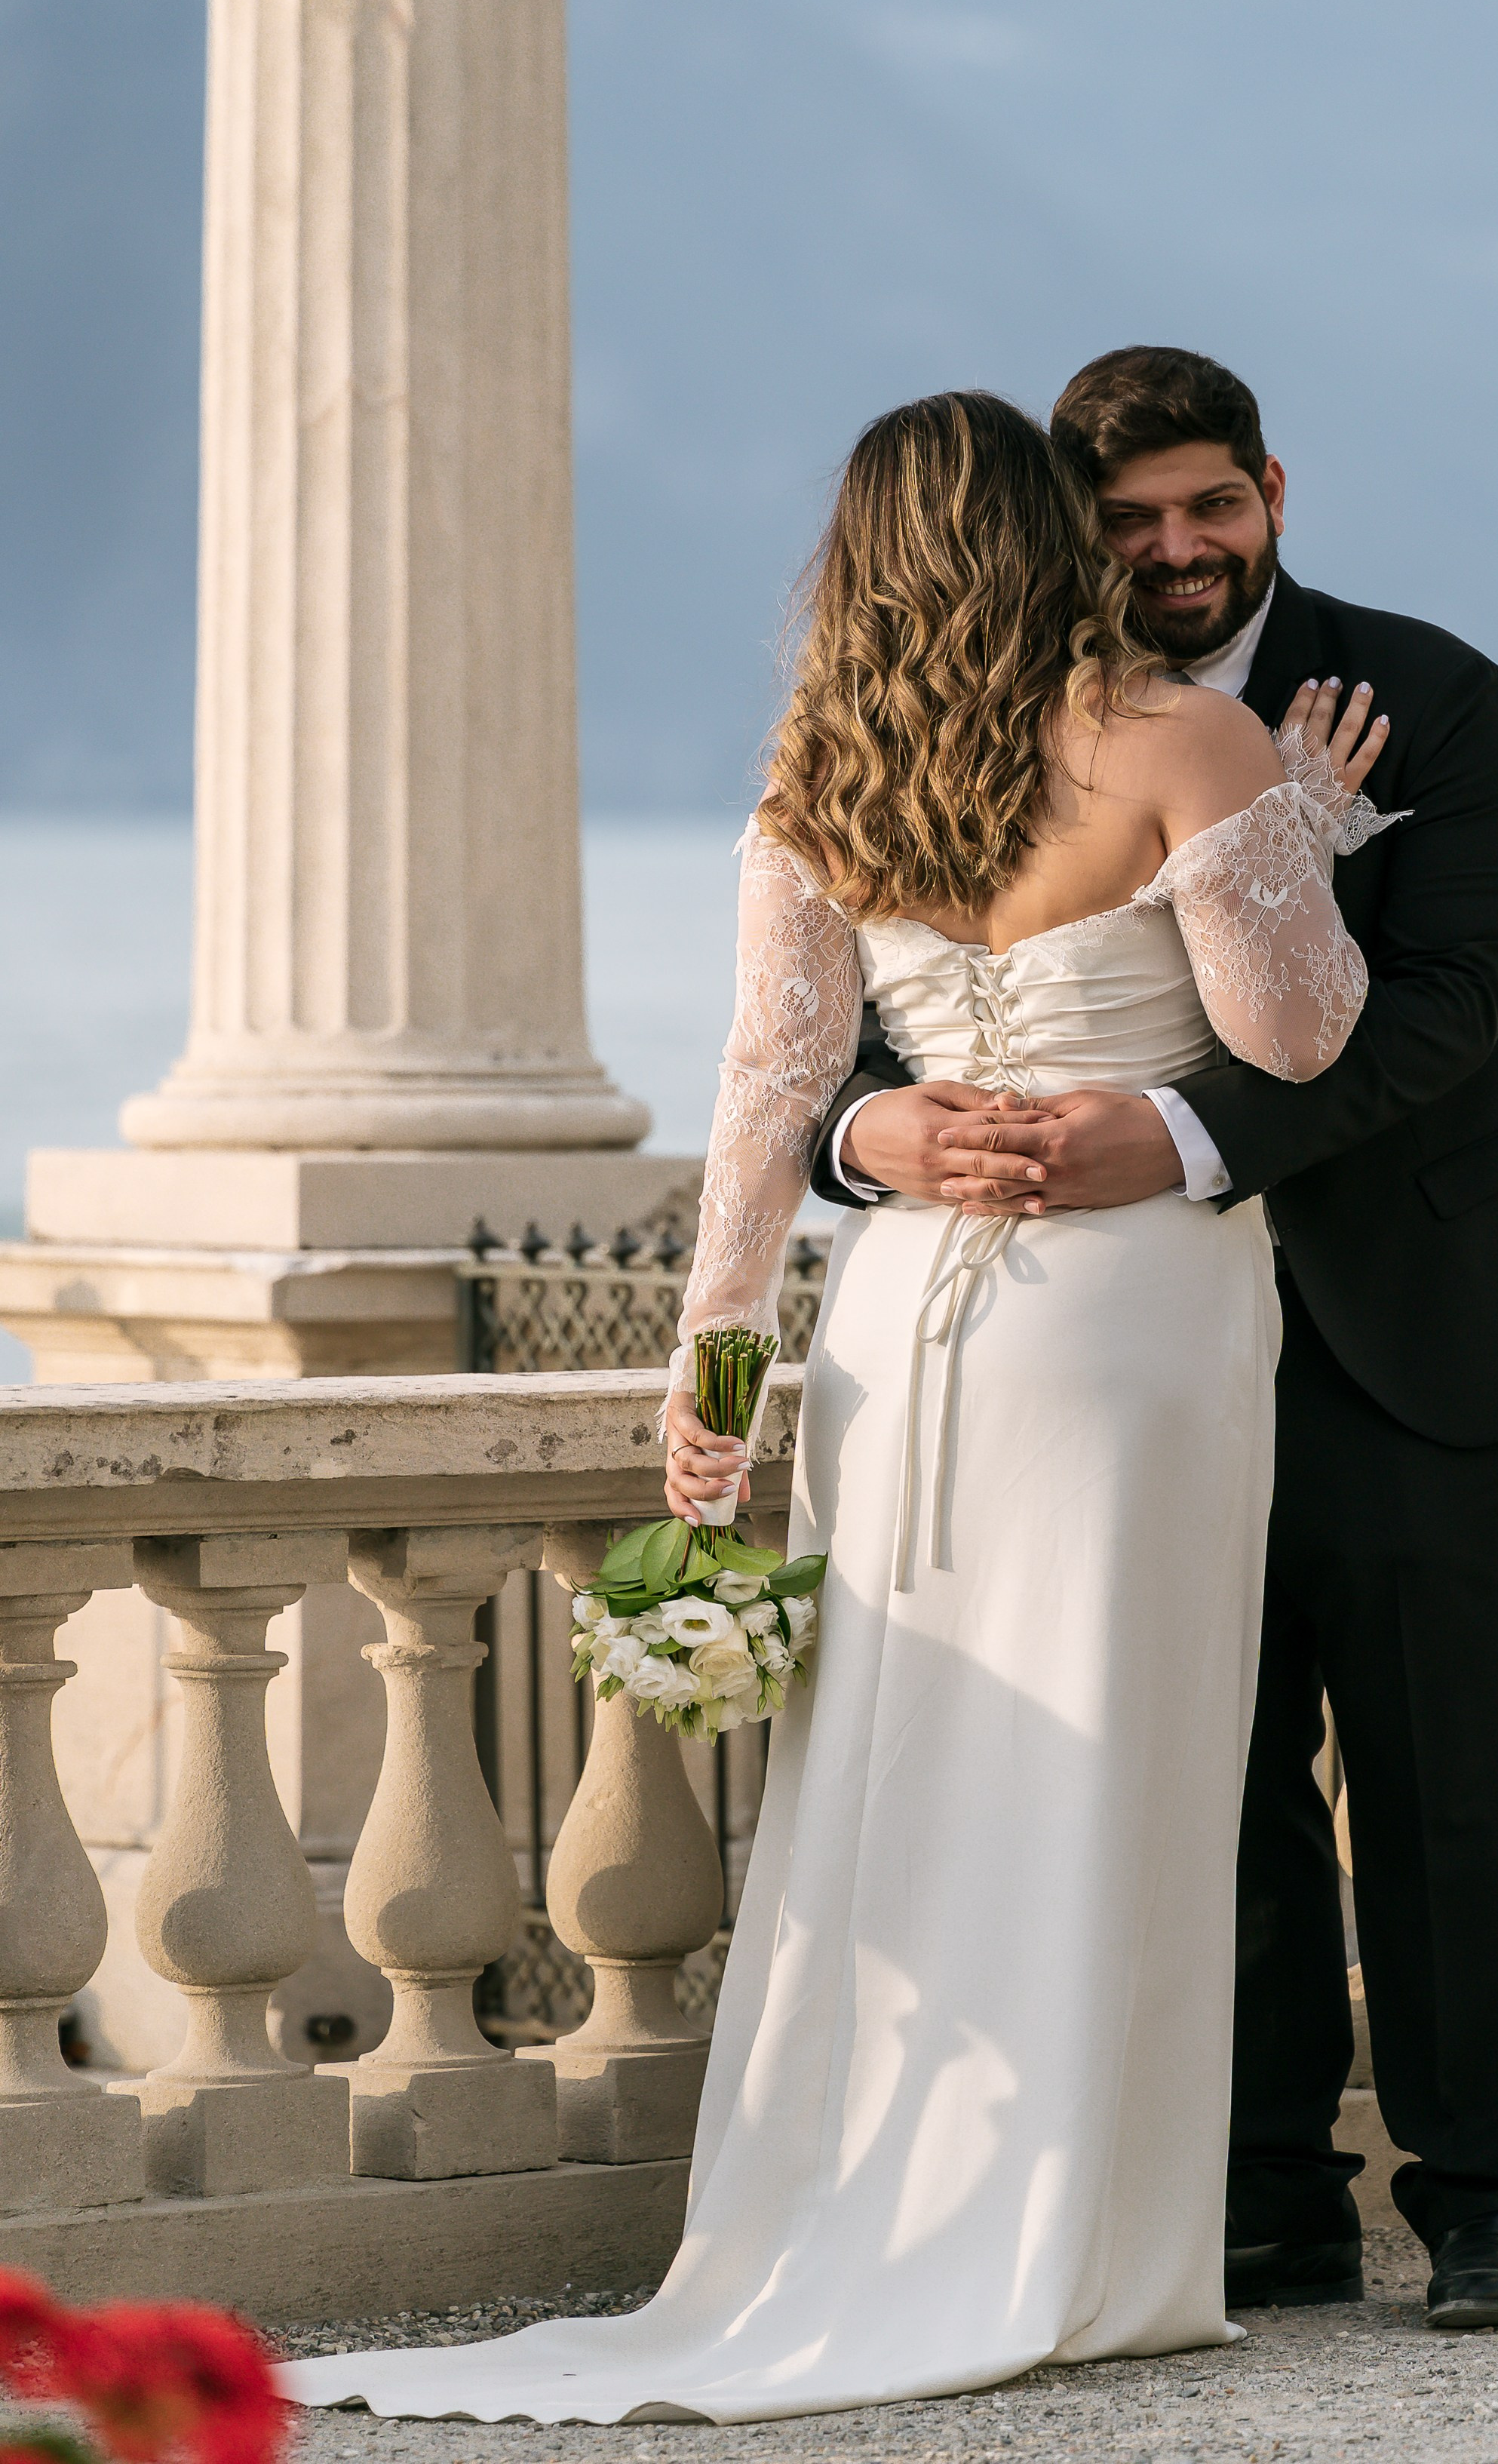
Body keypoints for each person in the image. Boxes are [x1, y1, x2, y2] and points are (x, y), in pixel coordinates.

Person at [280, 389, 1395, 2424]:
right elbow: (1298, 1040)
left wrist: (714, 1382)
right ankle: (1081, 2242)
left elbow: (768, 1098)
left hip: (894, 1326)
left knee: (905, 1761)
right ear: (1052, 532)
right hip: (1125, 1322)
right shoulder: (1191, 741)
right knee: (1124, 1761)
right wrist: (1300, 826)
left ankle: (893, 2206)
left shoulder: (825, 777)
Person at [813, 347, 1498, 2334]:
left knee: (1445, 1771)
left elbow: (1451, 1002)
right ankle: (1267, 2194)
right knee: (1208, 1765)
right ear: (1066, 530)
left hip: (1403, 1315)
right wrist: (870, 1138)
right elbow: (869, 1017)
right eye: (1129, 521)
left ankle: (1482, 2200)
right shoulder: (987, 714)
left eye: (1212, 504)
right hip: (1117, 1349)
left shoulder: (1430, 691)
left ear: (1273, 489)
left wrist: (1182, 1138)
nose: (1179, 548)